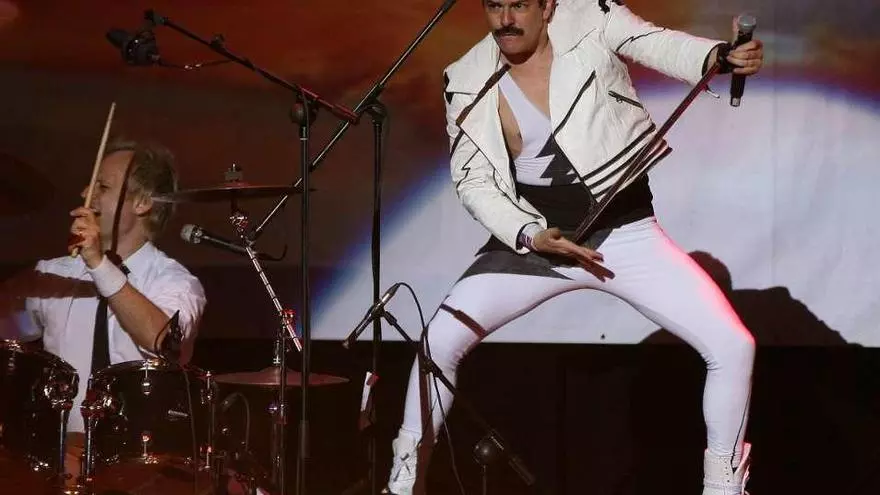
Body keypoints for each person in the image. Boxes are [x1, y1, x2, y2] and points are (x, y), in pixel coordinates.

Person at [384, 1, 764, 494]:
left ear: (547, 6)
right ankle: (404, 483)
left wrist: (718, 56)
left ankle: (723, 487)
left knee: (733, 346)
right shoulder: (465, 78)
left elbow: (654, 43)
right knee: (437, 342)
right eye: (495, 5)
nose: (506, 19)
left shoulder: (591, 19)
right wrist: (529, 233)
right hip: (538, 244)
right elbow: (474, 182)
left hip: (623, 235)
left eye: (519, 5)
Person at [0, 139, 206, 484]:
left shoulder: (175, 282)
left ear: (142, 203)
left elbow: (162, 340)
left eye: (102, 186)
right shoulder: (54, 274)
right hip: (58, 461)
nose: (86, 193)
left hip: (142, 470)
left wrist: (98, 264)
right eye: (89, 184)